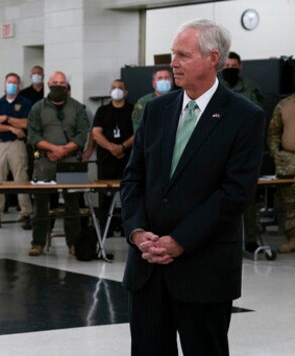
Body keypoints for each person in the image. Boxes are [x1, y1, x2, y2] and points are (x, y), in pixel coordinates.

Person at [120, 19, 264, 355]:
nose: (173, 63)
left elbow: (234, 193)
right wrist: (138, 233)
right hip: (148, 267)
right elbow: (133, 178)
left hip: (204, 270)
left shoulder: (244, 116)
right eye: (173, 54)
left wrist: (179, 241)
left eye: (183, 55)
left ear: (213, 58)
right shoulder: (156, 110)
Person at [27, 71, 89, 256]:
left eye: (62, 83)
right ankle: (38, 243)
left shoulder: (77, 108)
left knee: (73, 203)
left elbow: (82, 134)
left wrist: (64, 150)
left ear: (66, 86)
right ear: (48, 84)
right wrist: (53, 149)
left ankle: (73, 243)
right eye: (55, 82)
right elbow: (33, 135)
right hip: (45, 161)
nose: (58, 86)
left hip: (70, 160)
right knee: (40, 204)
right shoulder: (38, 108)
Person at [221, 51, 264, 253]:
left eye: (234, 65)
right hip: (219, 151)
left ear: (240, 66)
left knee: (247, 199)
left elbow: (256, 116)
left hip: (244, 150)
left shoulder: (250, 88)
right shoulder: (215, 87)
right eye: (227, 65)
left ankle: (251, 239)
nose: (230, 68)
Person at [0, 72, 33, 230]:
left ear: (19, 86)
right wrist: (11, 128)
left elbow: (26, 123)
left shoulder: (25, 103)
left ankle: (26, 213)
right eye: (9, 82)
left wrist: (6, 118)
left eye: (14, 82)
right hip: (1, 144)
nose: (11, 85)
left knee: (21, 178)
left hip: (17, 145)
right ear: (5, 84)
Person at [91, 79, 133, 234]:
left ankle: (127, 228)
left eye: (120, 88)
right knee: (105, 196)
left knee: (128, 195)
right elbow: (96, 133)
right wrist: (112, 147)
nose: (117, 90)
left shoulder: (132, 109)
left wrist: (122, 147)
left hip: (127, 159)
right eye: (113, 87)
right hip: (106, 160)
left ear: (126, 92)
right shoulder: (102, 111)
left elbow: (138, 133)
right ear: (110, 92)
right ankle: (104, 229)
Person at [268, 94, 295, 253]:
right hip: (288, 162)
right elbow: (273, 132)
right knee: (290, 203)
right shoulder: (285, 105)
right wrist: (276, 154)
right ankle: (293, 238)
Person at [131, 67, 173, 133]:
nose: (164, 81)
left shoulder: (179, 99)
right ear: (154, 84)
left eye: (167, 78)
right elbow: (138, 128)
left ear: (172, 81)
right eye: (160, 78)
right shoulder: (143, 102)